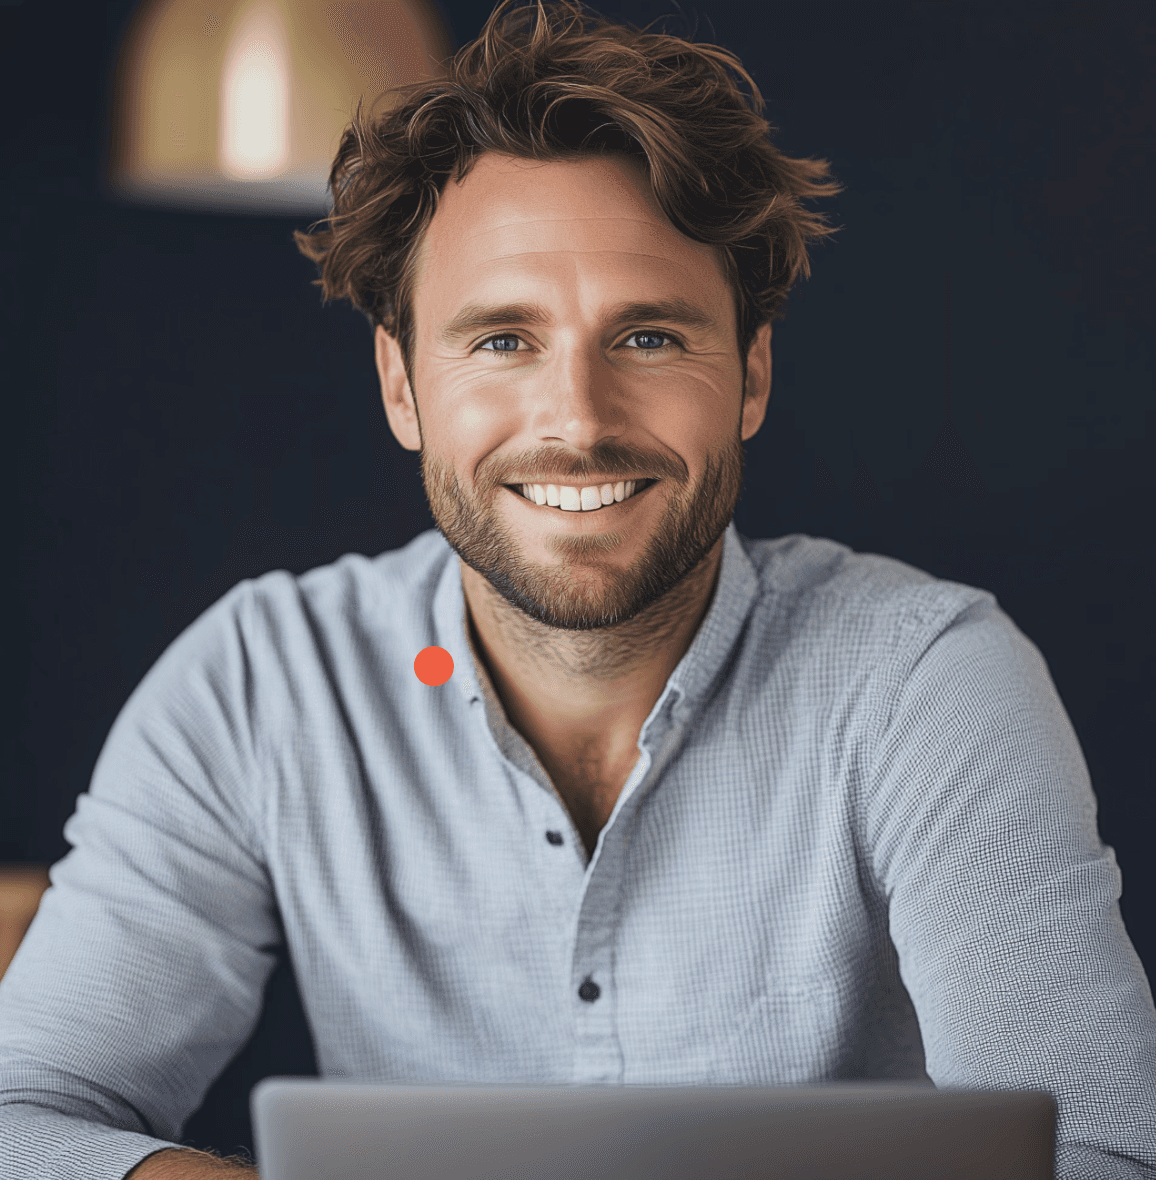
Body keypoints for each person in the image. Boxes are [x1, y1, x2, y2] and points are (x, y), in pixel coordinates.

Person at [3, 1, 1155, 1176]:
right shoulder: (260, 683)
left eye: (649, 337)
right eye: (502, 340)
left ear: (749, 375)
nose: (578, 423)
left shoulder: (925, 682)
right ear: (401, 387)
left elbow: (1102, 1155)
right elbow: (17, 1117)